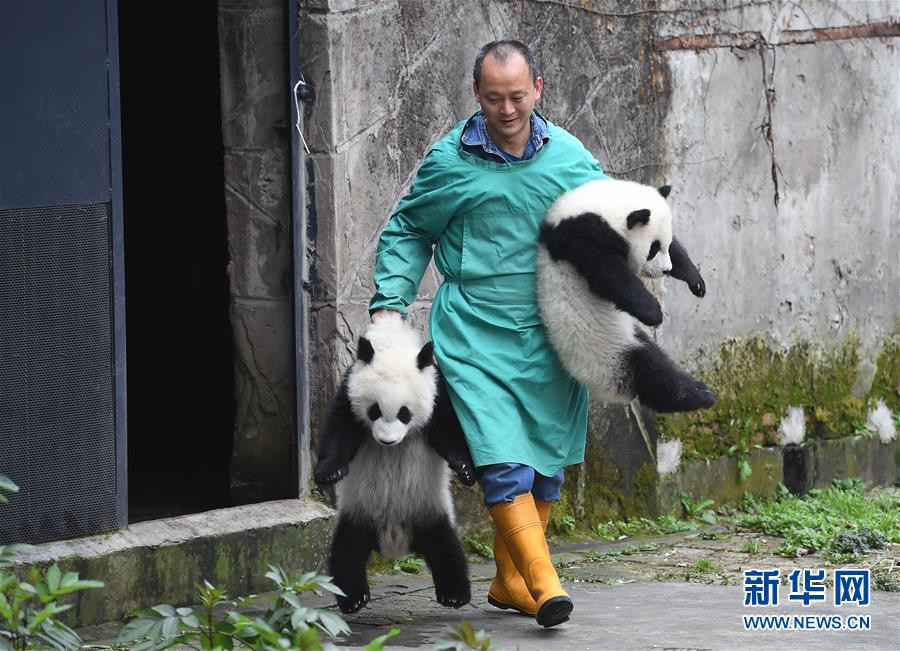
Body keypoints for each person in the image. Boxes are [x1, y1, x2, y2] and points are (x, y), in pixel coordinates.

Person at [369, 40, 609, 628]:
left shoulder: (569, 157)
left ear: (538, 90)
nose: (507, 110)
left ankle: (509, 582)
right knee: (504, 463)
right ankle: (545, 583)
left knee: (546, 467)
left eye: (518, 97)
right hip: (476, 334)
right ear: (476, 93)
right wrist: (389, 304)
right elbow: (409, 230)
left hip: (552, 334)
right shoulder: (450, 161)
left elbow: (612, 219)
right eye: (495, 98)